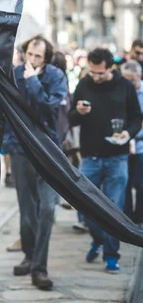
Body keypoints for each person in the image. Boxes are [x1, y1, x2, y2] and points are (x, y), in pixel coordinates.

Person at [69, 48, 142, 273]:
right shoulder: (84, 84)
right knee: (85, 207)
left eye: (100, 73)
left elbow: (137, 119)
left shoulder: (125, 87)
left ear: (111, 68)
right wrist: (78, 112)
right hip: (90, 157)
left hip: (116, 159)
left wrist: (127, 134)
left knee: (114, 209)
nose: (96, 77)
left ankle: (111, 255)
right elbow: (70, 119)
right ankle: (98, 239)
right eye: (92, 72)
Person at [8, 35, 68, 291]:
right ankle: (31, 256)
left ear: (46, 58)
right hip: (21, 148)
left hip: (47, 148)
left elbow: (47, 107)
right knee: (26, 209)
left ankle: (39, 268)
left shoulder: (55, 76)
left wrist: (32, 80)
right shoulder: (13, 73)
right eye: (29, 54)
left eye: (37, 57)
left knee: (47, 209)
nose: (31, 60)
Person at [120, 60, 143, 224]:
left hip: (141, 146)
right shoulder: (120, 92)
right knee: (125, 184)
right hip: (124, 144)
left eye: (132, 80)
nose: (128, 84)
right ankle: (127, 219)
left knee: (141, 185)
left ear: (139, 77)